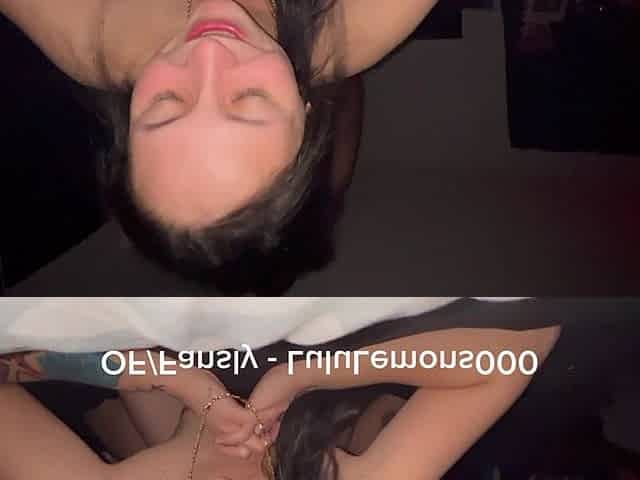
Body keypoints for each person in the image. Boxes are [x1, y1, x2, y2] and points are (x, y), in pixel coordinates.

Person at [0, 0, 438, 283]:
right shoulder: (362, 18)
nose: (208, 55)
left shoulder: (91, 38)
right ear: (306, 112)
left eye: (166, 103)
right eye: (250, 99)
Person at [0, 325, 561, 479]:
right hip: (324, 320)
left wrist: (166, 377)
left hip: (165, 323)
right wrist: (309, 375)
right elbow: (520, 347)